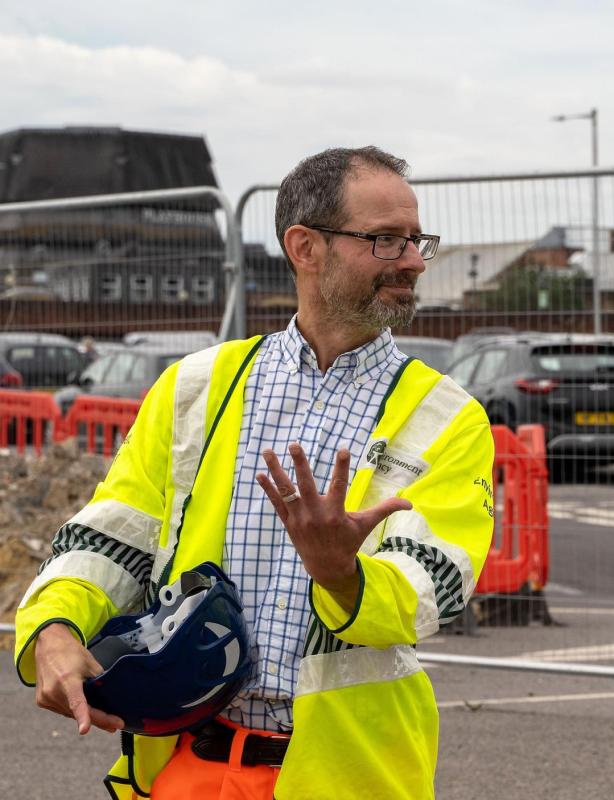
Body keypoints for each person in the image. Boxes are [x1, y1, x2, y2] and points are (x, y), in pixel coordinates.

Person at [13, 146, 496, 799]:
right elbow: (110, 539)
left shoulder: (448, 417)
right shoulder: (195, 387)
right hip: (184, 768)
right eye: (386, 240)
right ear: (304, 247)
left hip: (346, 777)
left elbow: (432, 584)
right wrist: (54, 626)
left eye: (416, 240)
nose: (413, 260)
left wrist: (343, 575)